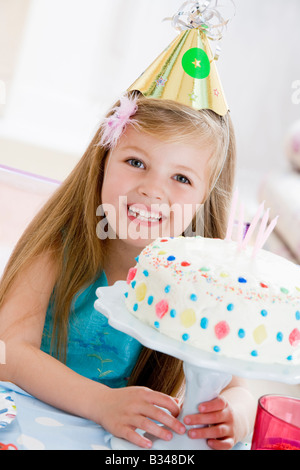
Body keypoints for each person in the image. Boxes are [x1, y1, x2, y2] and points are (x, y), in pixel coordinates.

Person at [0, 92, 256, 450]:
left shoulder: (199, 282)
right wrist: (102, 403)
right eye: (136, 162)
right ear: (103, 160)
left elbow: (237, 388)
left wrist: (234, 414)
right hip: (22, 411)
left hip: (111, 436)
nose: (152, 190)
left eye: (181, 178)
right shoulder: (59, 246)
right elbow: (8, 351)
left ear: (204, 199)